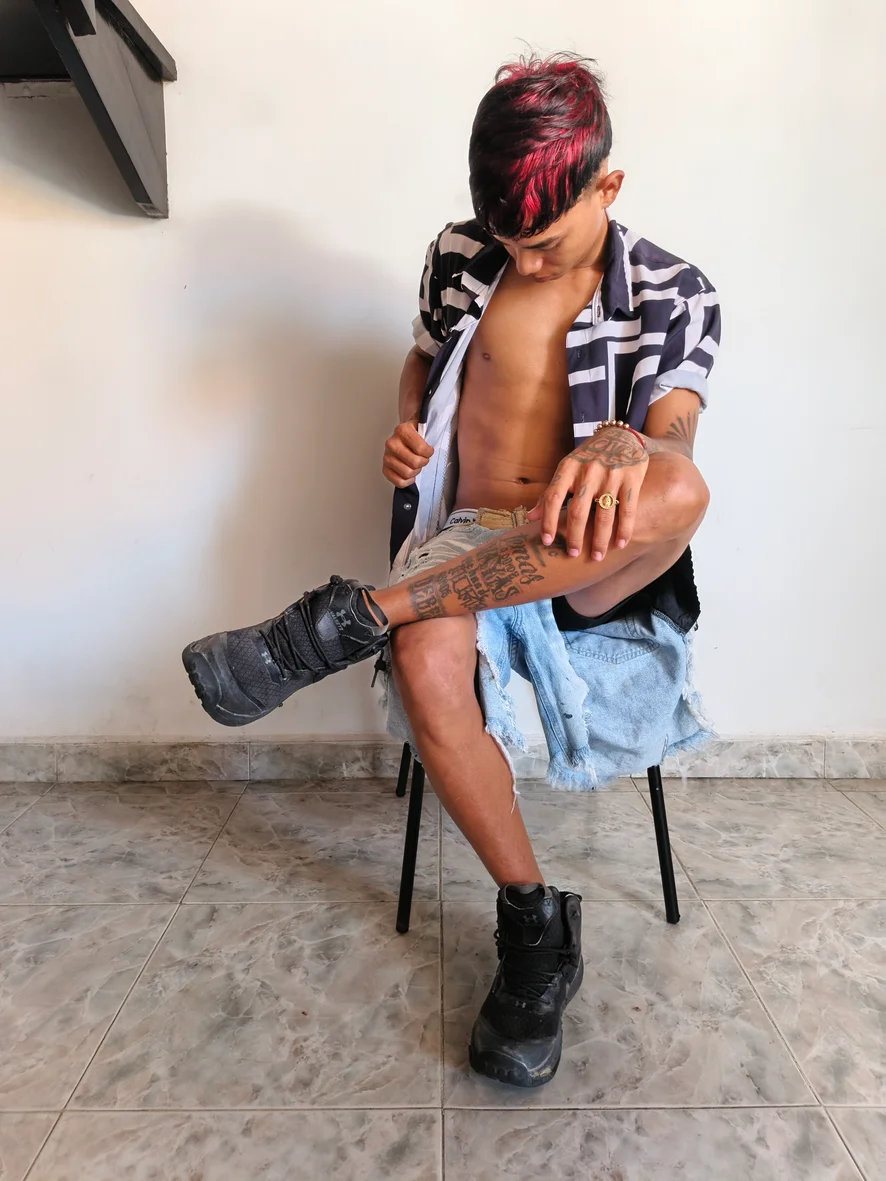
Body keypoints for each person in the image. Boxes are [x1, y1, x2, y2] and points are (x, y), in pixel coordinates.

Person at [182, 54, 720, 1089]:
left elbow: (677, 434)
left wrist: (628, 442)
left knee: (683, 491)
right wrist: (406, 424)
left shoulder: (671, 288)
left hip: (584, 550)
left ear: (608, 185)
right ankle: (534, 926)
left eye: (544, 241)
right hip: (465, 542)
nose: (524, 260)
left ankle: (338, 623)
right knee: (429, 664)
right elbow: (424, 361)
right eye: (509, 240)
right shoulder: (463, 253)